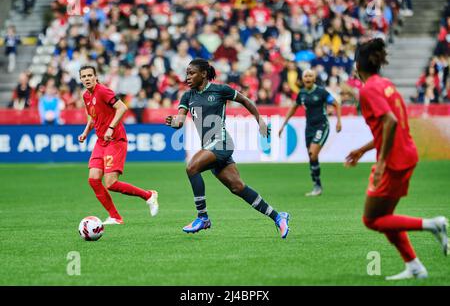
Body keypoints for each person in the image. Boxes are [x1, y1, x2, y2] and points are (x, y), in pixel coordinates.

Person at [345, 38, 448, 280]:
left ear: (357, 66)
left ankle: (434, 224)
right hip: (405, 153)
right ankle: (414, 266)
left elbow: (390, 122)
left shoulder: (368, 90)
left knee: (371, 219)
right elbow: (391, 125)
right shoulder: (386, 84)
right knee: (386, 217)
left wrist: (380, 163)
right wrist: (363, 149)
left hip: (393, 161)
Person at [165, 58, 290, 238]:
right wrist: (174, 122)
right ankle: (279, 217)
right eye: (187, 74)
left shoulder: (220, 90)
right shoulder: (188, 96)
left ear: (204, 74)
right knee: (237, 187)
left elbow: (245, 100)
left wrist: (260, 120)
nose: (188, 77)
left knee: (192, 167)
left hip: (221, 143)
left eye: (192, 73)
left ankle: (203, 217)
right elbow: (180, 121)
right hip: (209, 147)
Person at [78, 65, 159, 225]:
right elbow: (92, 117)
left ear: (95, 76)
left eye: (89, 75)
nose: (87, 78)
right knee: (93, 180)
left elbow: (122, 107)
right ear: (80, 79)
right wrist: (86, 132)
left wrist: (110, 127)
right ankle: (115, 216)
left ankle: (149, 195)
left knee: (111, 183)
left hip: (115, 140)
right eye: (84, 76)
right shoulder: (86, 96)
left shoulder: (103, 91)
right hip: (101, 142)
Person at [278, 69, 342, 196]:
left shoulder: (321, 92)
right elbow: (293, 108)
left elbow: (336, 104)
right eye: (305, 76)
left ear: (314, 78)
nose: (307, 78)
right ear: (302, 79)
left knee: (313, 154)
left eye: (310, 76)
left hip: (322, 125)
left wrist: (339, 121)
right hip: (309, 128)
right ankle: (316, 185)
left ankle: (317, 186)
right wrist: (283, 124)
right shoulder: (301, 94)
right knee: (312, 157)